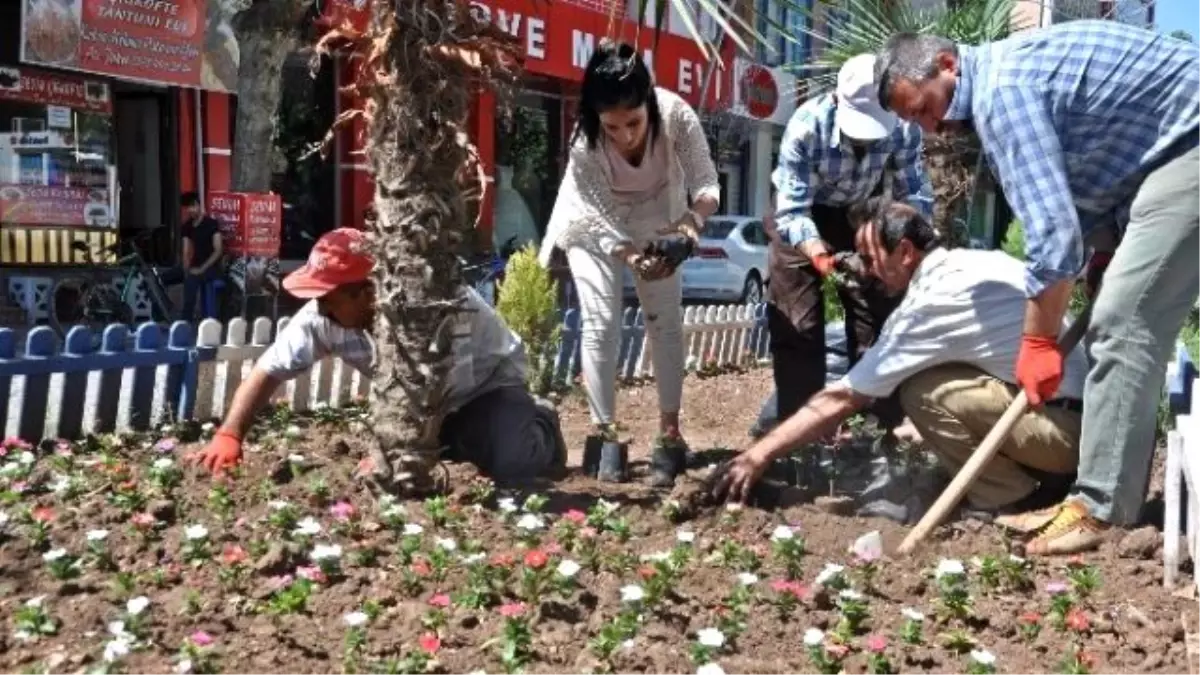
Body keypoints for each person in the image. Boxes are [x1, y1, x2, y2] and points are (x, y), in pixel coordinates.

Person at [874, 21, 1200, 554]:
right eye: (916, 121)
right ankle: (1099, 496)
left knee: (1123, 320)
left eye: (926, 109)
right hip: (1163, 159)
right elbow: (1100, 178)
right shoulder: (1006, 79)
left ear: (947, 66)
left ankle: (1100, 511)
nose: (931, 129)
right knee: (1113, 315)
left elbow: (1052, 240)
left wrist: (1036, 342)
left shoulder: (1001, 94)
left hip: (1190, 146)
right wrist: (1105, 254)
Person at [711, 202, 1088, 518]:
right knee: (935, 378)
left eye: (871, 259)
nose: (867, 270)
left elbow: (845, 397)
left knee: (922, 391)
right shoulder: (977, 262)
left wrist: (757, 455)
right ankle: (1034, 478)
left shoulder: (931, 303)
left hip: (1058, 435)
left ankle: (1010, 497)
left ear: (906, 252)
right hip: (1077, 429)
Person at [191, 228, 565, 485]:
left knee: (508, 463)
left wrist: (395, 452)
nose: (319, 309)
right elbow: (267, 371)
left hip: (489, 386)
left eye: (328, 298)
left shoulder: (438, 306)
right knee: (453, 452)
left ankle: (542, 425)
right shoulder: (323, 316)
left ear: (368, 293)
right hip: (430, 406)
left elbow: (440, 391)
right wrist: (229, 434)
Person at [537, 41, 720, 487]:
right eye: (612, 127)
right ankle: (605, 432)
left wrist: (689, 227)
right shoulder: (585, 145)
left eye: (633, 122)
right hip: (593, 223)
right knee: (601, 322)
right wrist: (633, 256)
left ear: (649, 103)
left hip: (662, 216)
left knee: (665, 321)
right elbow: (600, 221)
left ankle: (670, 433)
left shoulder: (675, 114)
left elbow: (707, 182)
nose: (624, 136)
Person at [762, 54, 933, 446]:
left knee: (878, 316)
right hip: (802, 214)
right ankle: (799, 438)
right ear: (838, 101)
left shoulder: (903, 130)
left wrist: (912, 243)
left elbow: (915, 192)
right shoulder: (806, 128)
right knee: (799, 325)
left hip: (861, 211)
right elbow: (792, 210)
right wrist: (817, 253)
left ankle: (876, 432)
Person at [161, 192, 225, 321]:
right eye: (187, 208)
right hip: (194, 266)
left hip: (211, 267)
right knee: (160, 279)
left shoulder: (211, 224)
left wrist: (201, 269)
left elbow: (218, 250)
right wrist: (185, 267)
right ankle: (163, 315)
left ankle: (186, 320)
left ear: (199, 205)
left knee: (191, 280)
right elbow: (185, 251)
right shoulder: (187, 226)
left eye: (193, 206)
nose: (190, 210)